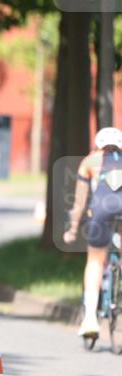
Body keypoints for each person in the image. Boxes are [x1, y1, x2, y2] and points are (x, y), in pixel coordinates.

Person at [63, 127, 122, 337]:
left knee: (95, 261)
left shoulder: (90, 161)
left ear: (98, 144)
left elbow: (79, 202)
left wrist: (72, 229)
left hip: (102, 209)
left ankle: (89, 320)